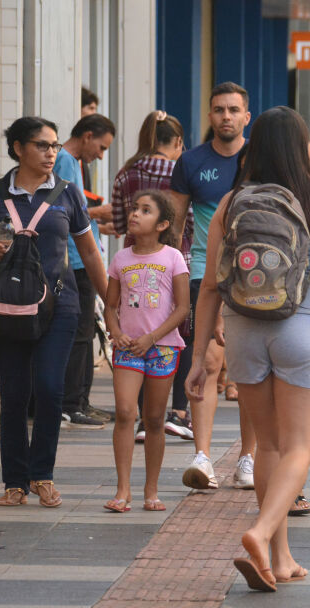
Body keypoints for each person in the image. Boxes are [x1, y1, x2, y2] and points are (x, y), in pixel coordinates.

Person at [185, 105, 310, 591]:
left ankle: (279, 559)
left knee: (268, 445)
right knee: (299, 446)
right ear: (301, 147)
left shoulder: (231, 201)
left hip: (243, 331)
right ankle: (259, 534)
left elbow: (210, 285)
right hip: (302, 324)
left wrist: (198, 358)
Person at [0, 116, 108, 508]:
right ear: (18, 149)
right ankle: (14, 482)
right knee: (13, 394)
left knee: (49, 388)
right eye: (42, 145)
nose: (51, 153)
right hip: (6, 307)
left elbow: (89, 251)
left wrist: (110, 305)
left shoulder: (68, 193)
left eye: (55, 146)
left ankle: (42, 474)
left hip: (60, 305)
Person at [171, 82, 256, 490]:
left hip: (255, 278)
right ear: (209, 115)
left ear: (246, 117)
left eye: (233, 110)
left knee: (249, 370)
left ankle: (247, 459)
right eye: (219, 110)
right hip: (204, 277)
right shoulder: (190, 162)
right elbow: (174, 227)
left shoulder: (260, 160)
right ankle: (202, 457)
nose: (226, 116)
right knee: (205, 362)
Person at [104, 190, 190, 513]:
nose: (135, 214)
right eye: (134, 209)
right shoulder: (120, 259)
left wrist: (152, 338)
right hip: (128, 349)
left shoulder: (173, 258)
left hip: (162, 349)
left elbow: (182, 308)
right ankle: (122, 490)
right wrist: (116, 333)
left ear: (162, 224)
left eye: (145, 210)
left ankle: (150, 490)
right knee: (126, 412)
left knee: (154, 419)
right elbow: (110, 306)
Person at [111, 110, 193, 442]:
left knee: (138, 328)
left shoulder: (126, 173)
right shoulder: (181, 171)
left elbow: (119, 223)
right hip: (177, 260)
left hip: (132, 264)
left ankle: (145, 417)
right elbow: (189, 220)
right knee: (181, 331)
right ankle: (178, 412)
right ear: (177, 142)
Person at [56, 113, 117, 428]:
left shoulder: (73, 162)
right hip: (75, 260)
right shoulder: (66, 161)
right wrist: (97, 212)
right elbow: (62, 210)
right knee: (80, 333)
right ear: (88, 135)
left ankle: (80, 400)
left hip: (80, 257)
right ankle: (72, 403)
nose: (101, 155)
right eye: (102, 147)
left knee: (85, 331)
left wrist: (98, 224)